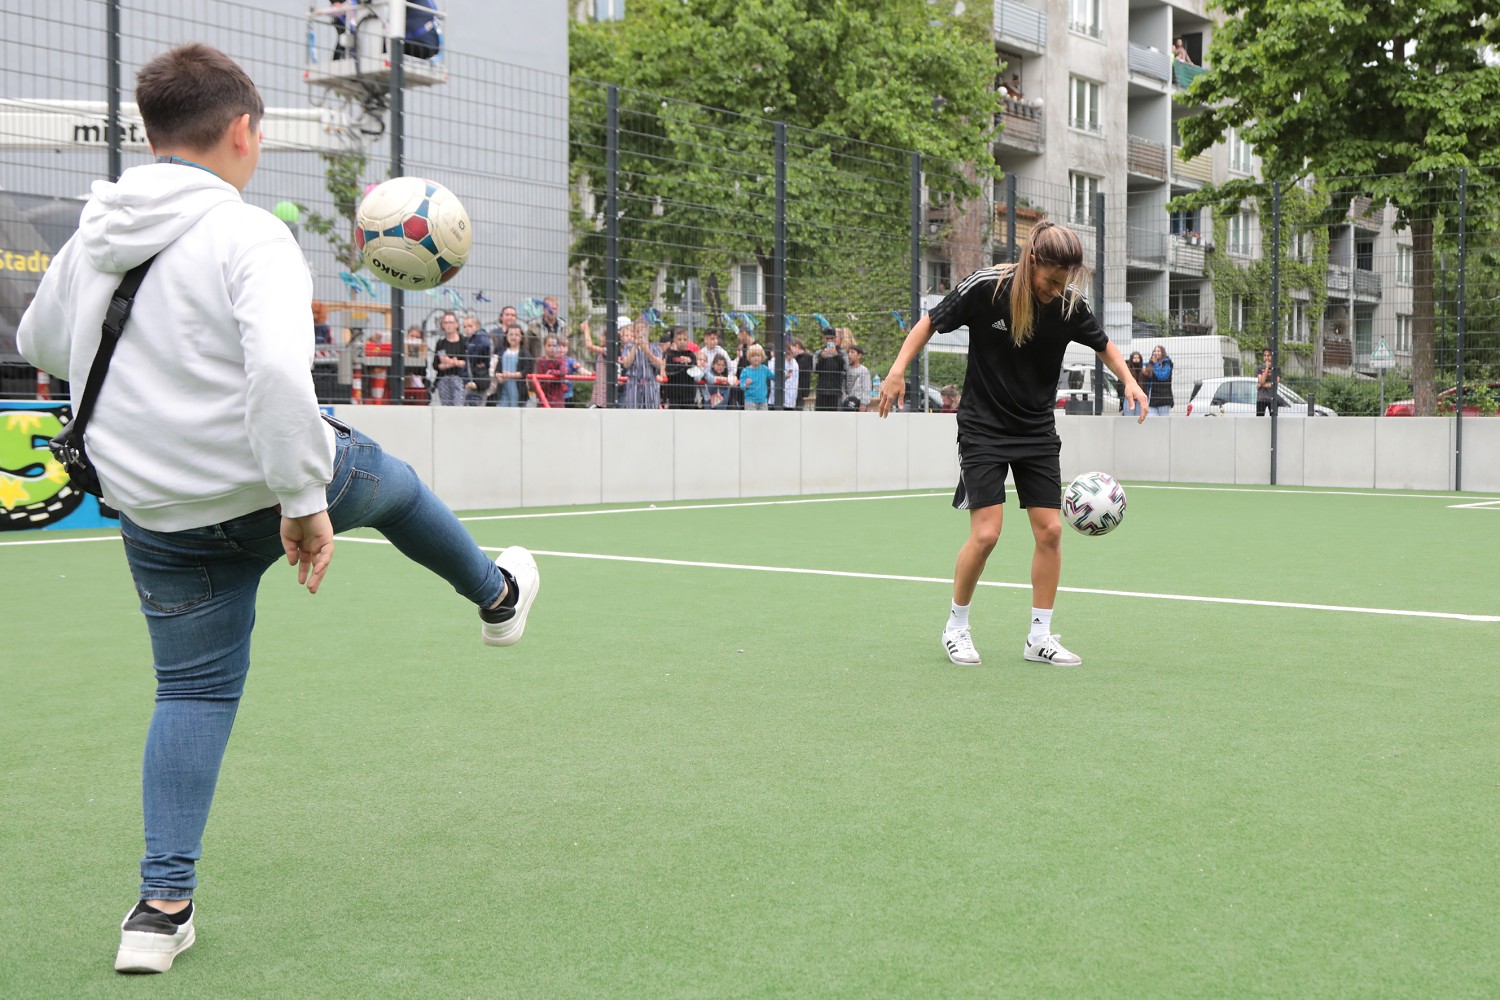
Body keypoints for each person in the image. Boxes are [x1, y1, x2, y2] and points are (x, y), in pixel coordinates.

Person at [15, 43, 539, 976]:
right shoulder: (250, 234)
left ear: (152, 131)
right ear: (243, 131)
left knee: (192, 692)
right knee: (390, 484)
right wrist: (302, 501)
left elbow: (39, 342)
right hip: (263, 484)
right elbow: (278, 379)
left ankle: (158, 912)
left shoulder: (95, 231)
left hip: (158, 511)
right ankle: (497, 596)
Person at [875, 220, 1147, 669]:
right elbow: (929, 323)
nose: (1056, 290)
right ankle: (956, 627)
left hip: (1036, 430)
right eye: (1051, 280)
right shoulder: (987, 287)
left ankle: (1039, 637)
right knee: (986, 534)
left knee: (1051, 530)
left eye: (1064, 282)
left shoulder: (1068, 304)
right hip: (983, 427)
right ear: (1032, 261)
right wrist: (897, 369)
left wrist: (1129, 381)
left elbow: (1104, 344)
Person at [619, 319, 663, 409]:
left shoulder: (654, 346)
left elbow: (659, 364)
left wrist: (646, 350)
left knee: (651, 412)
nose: (640, 333)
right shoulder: (629, 347)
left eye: (643, 330)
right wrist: (635, 347)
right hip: (634, 384)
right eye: (637, 330)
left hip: (650, 384)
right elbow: (626, 364)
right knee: (633, 412)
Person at [489, 323, 533, 407]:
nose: (513, 337)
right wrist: (499, 376)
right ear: (506, 336)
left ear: (521, 337)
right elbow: (497, 370)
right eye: (511, 334)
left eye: (516, 334)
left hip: (518, 389)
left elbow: (527, 370)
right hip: (503, 389)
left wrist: (511, 375)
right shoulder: (502, 352)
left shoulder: (524, 353)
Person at [430, 310, 466, 406]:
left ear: (457, 324)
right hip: (444, 379)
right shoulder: (441, 343)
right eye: (446, 323)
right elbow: (436, 365)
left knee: (458, 406)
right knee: (446, 408)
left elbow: (467, 362)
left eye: (451, 322)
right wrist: (454, 362)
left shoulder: (464, 341)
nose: (449, 325)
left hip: (460, 379)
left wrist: (449, 362)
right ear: (442, 325)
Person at [662, 326, 699, 409]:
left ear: (688, 341)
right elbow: (669, 372)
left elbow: (696, 371)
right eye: (679, 339)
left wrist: (690, 362)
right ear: (675, 340)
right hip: (674, 395)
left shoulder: (691, 355)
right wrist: (682, 365)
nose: (682, 342)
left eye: (684, 339)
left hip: (689, 395)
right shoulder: (671, 355)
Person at [460, 314, 491, 406]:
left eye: (470, 326)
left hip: (479, 380)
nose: (467, 329)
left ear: (477, 326)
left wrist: (475, 358)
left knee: (477, 407)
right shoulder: (469, 341)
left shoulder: (480, 338)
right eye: (465, 327)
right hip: (471, 380)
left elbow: (485, 347)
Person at [813, 334, 847, 411]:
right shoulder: (819, 353)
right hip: (821, 391)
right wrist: (823, 358)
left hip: (836, 391)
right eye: (827, 338)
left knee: (834, 416)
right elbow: (815, 369)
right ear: (824, 339)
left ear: (835, 339)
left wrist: (836, 356)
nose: (829, 340)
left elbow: (845, 368)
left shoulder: (842, 353)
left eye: (832, 338)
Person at [739, 344, 774, 410]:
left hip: (763, 401)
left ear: (762, 357)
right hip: (750, 401)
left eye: (758, 355)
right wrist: (746, 384)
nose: (756, 358)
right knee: (751, 416)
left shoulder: (765, 369)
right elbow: (742, 386)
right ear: (749, 357)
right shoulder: (745, 371)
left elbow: (774, 377)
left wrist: (785, 376)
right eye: (753, 356)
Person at [1142, 344, 1174, 416]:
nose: (1156, 353)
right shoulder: (1151, 363)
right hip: (1152, 396)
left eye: (1159, 351)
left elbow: (1162, 377)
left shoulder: (1167, 364)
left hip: (1163, 396)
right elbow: (1140, 363)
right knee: (1151, 417)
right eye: (1155, 351)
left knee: (1163, 420)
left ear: (1163, 353)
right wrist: (1143, 366)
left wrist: (1155, 364)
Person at [843, 344, 871, 411]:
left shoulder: (864, 370)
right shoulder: (845, 369)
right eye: (849, 352)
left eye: (852, 352)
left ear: (859, 355)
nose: (850, 354)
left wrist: (863, 403)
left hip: (858, 403)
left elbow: (866, 388)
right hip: (845, 402)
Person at [1121, 350, 1146, 418]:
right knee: (1128, 417)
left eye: (1138, 358)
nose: (1136, 359)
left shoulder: (1143, 371)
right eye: (1134, 358)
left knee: (1138, 417)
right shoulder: (1128, 370)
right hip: (1129, 397)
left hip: (1139, 397)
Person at [1256, 348, 1279, 416]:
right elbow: (1261, 381)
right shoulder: (1259, 368)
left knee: (1273, 417)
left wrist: (1261, 385)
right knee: (1259, 419)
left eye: (1268, 355)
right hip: (1261, 398)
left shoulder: (1276, 368)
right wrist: (1267, 368)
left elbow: (1275, 383)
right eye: (1265, 355)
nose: (1266, 357)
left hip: (1272, 398)